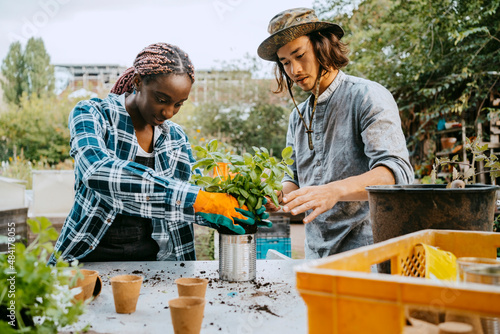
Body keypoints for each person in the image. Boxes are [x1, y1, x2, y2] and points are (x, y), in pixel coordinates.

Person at [49, 42, 268, 265]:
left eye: (178, 105)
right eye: (161, 100)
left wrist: (231, 209)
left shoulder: (175, 137)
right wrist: (200, 199)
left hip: (156, 264)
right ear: (137, 82)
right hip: (87, 259)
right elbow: (97, 171)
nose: (168, 112)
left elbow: (189, 199)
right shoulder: (92, 114)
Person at [258, 8, 414, 259]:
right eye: (285, 62)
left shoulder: (367, 96)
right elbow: (293, 177)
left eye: (299, 55)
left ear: (322, 47)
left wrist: (333, 191)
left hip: (369, 252)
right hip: (316, 254)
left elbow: (396, 173)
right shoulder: (296, 117)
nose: (294, 70)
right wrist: (278, 195)